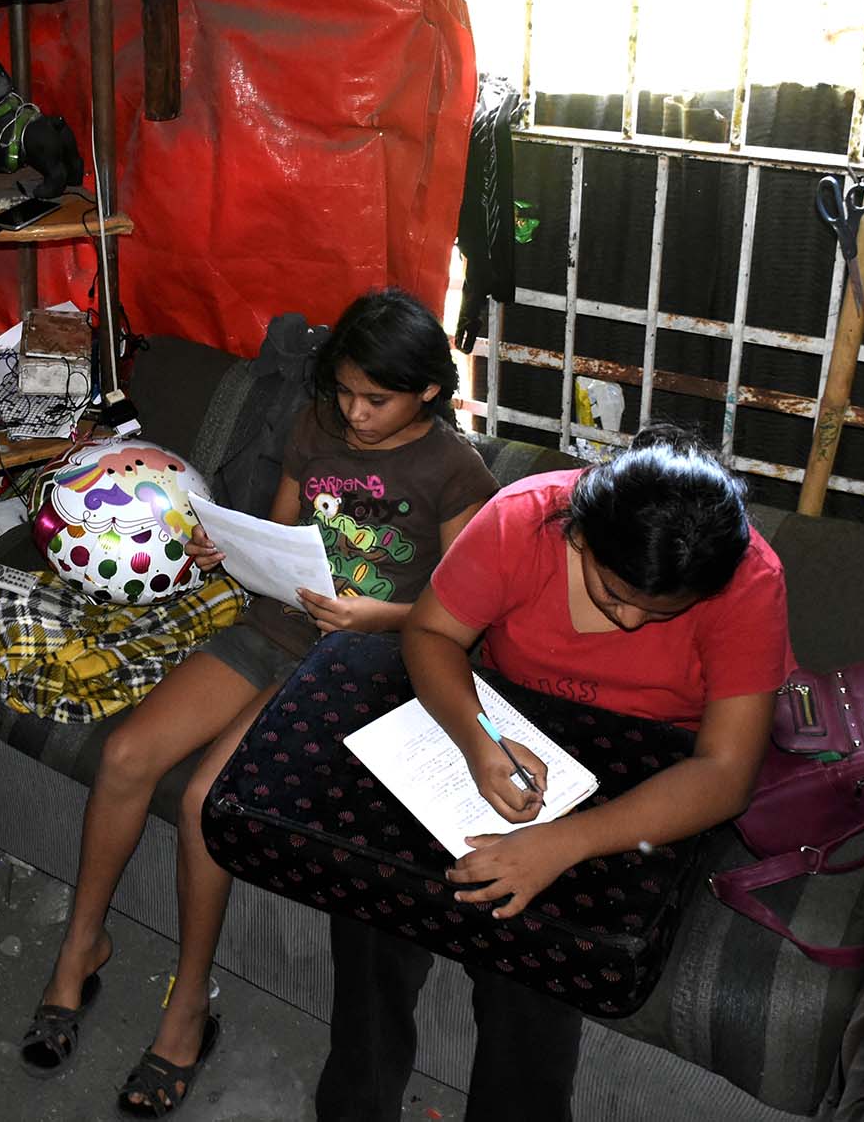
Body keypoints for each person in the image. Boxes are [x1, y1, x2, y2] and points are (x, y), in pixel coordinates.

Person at [18, 288, 498, 1117]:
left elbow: (462, 612)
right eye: (344, 391)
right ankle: (79, 949)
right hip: (277, 621)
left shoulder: (457, 471)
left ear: (427, 390)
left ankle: (188, 1003)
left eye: (374, 399)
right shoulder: (316, 424)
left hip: (368, 656)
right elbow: (280, 534)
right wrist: (224, 546)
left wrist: (368, 614)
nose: (354, 413)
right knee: (130, 753)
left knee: (210, 797)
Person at [314, 424, 792, 1122]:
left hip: (651, 773)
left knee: (534, 958)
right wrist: (481, 737)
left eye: (660, 611)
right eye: (614, 590)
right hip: (509, 726)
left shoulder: (748, 579)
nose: (630, 620)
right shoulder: (522, 520)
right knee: (369, 897)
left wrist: (561, 844)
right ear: (580, 534)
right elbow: (430, 632)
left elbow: (724, 773)